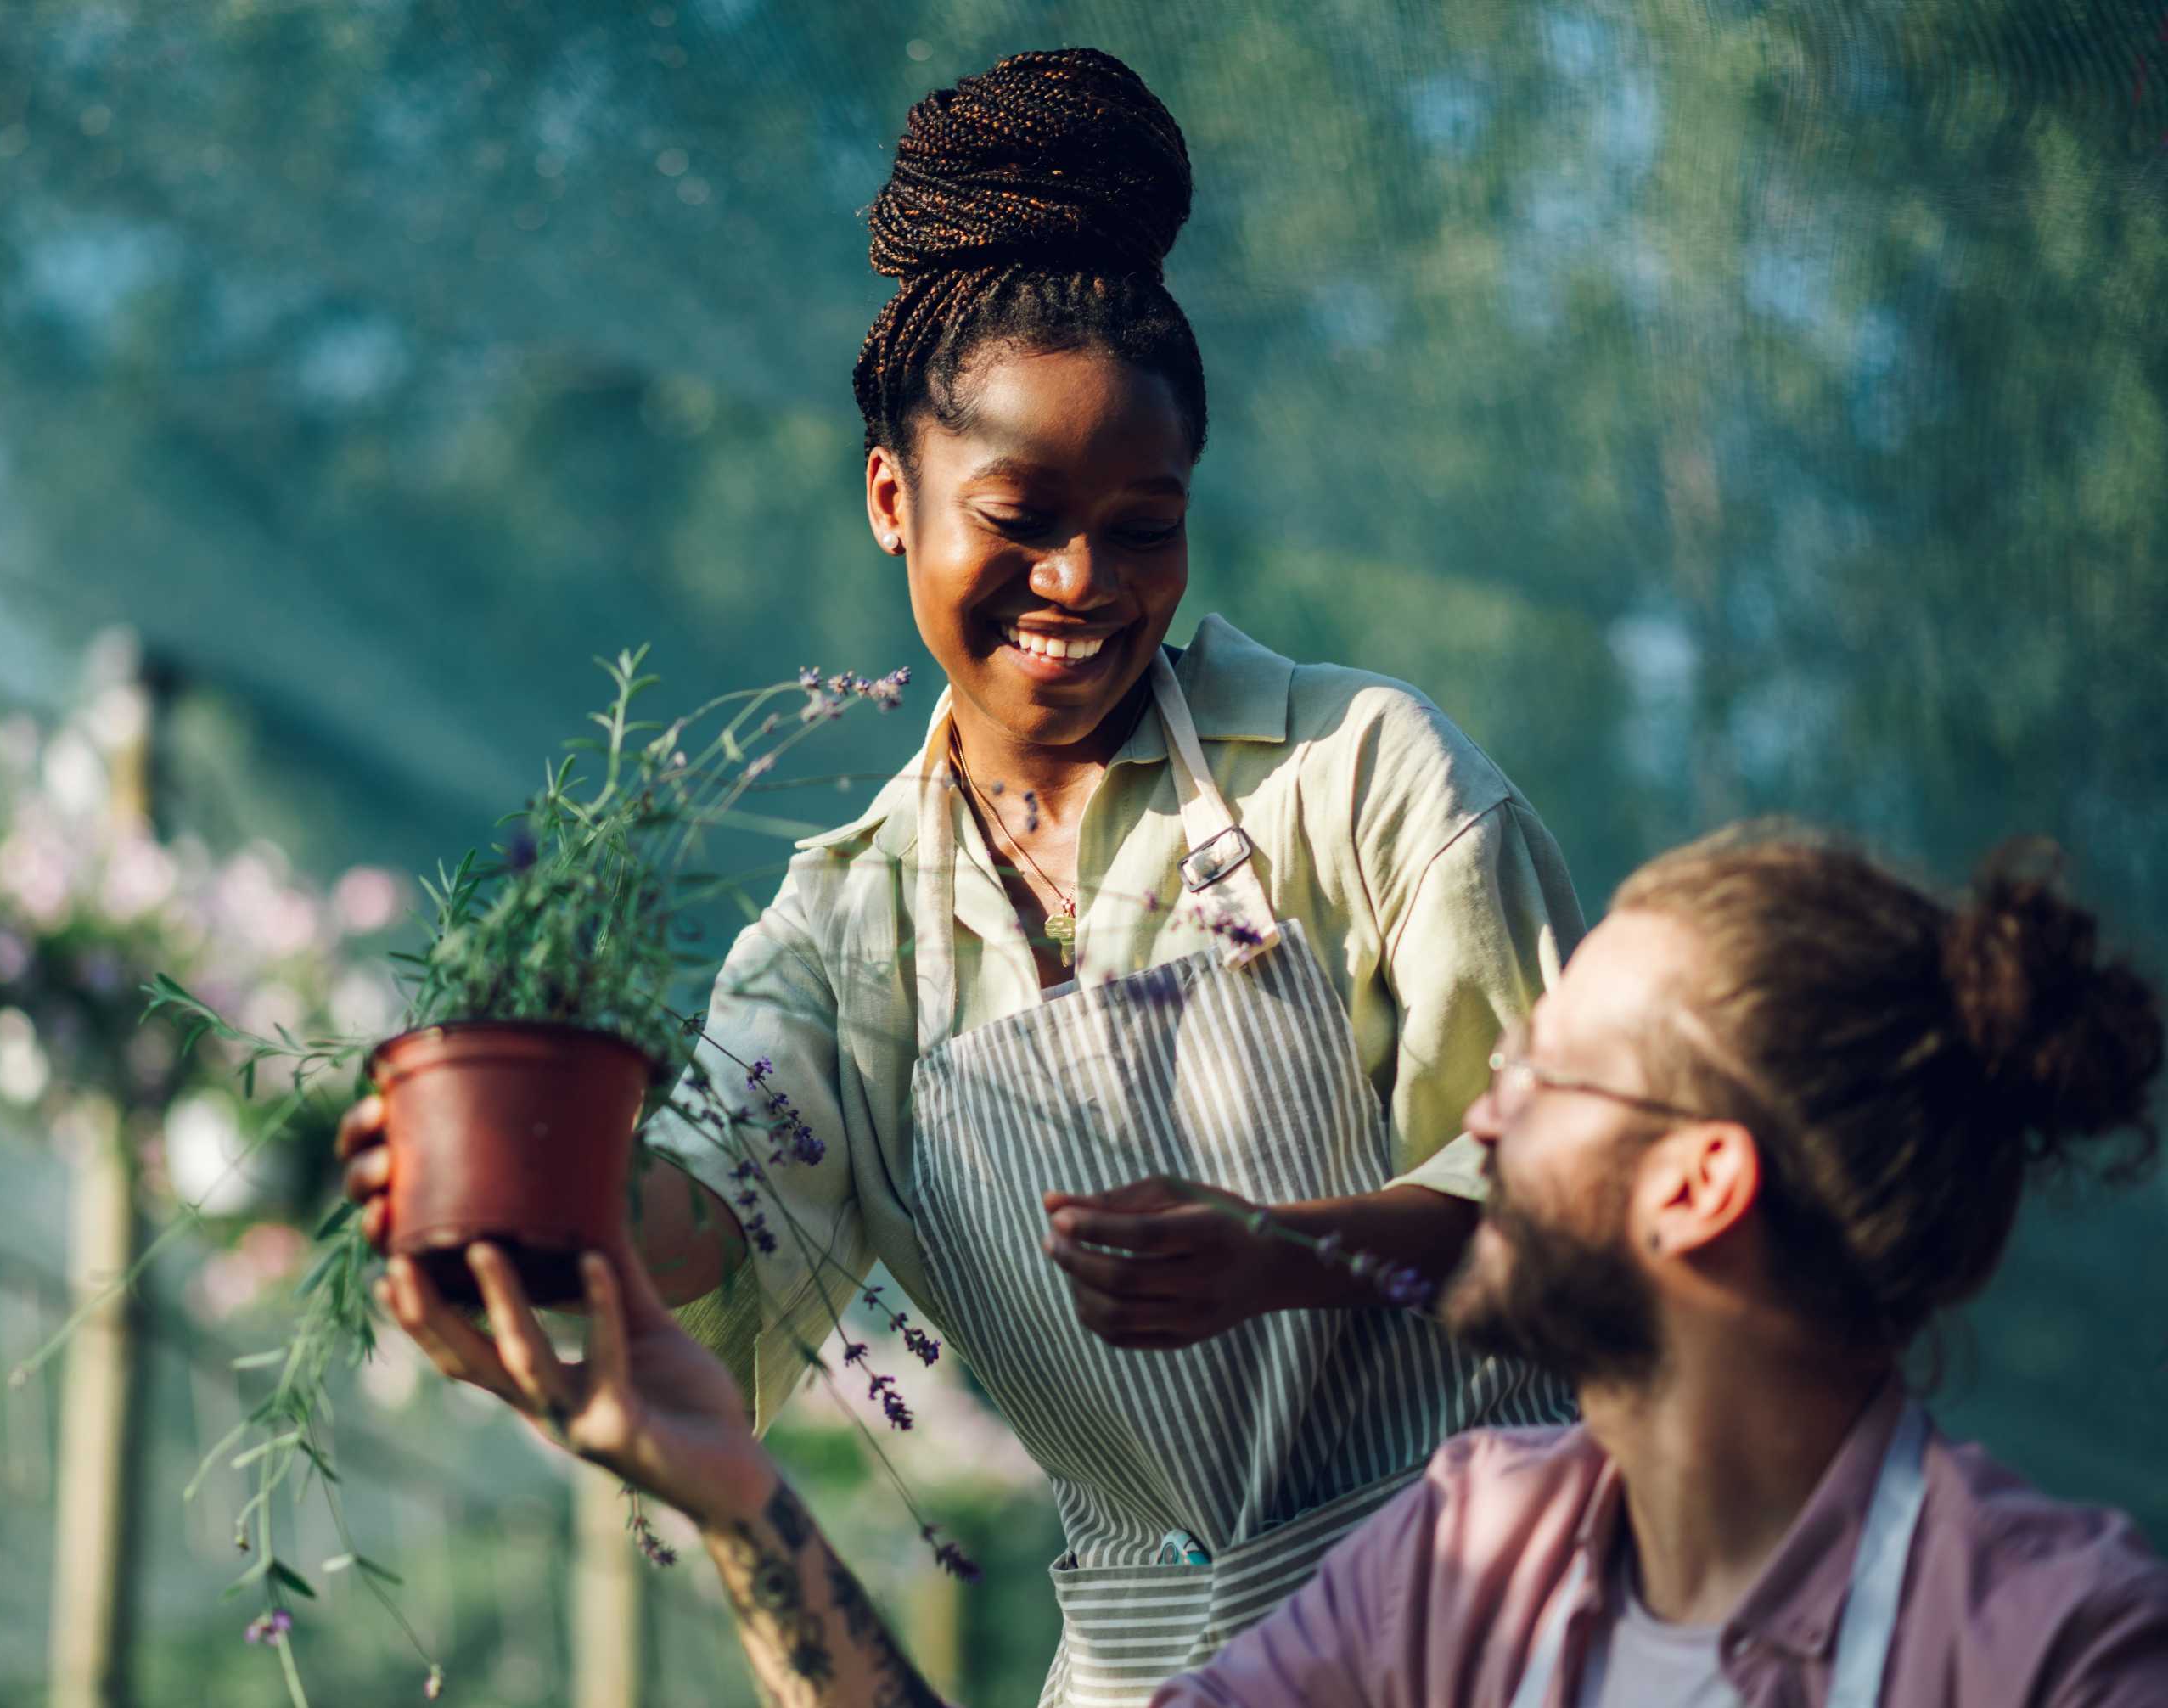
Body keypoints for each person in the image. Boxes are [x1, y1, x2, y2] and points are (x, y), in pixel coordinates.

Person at [344, 47, 1578, 1701]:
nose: (1084, 579)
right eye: (1021, 511)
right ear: (888, 499)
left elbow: (1587, 1188)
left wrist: (1293, 1247)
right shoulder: (851, 925)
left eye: (1146, 523)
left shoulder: (1359, 778)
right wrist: (520, 1190)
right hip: (1153, 1668)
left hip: (1494, 1612)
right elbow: (712, 1215)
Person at [374, 824, 2168, 1705]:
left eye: (1546, 1069)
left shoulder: (2052, 1646)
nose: (1491, 1101)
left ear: (1700, 1183)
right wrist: (727, 1481)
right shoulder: (1473, 1560)